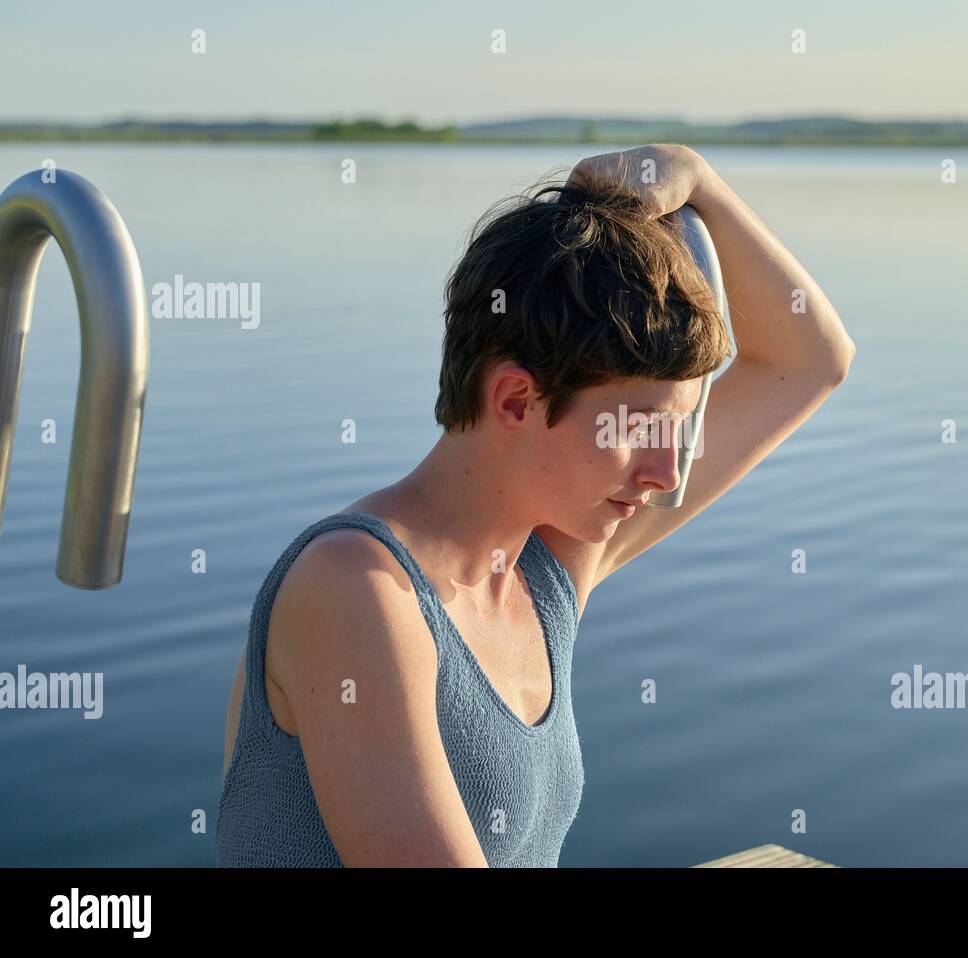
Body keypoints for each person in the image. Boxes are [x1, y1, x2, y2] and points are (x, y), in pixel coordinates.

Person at [215, 143, 855, 867]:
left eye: (677, 429)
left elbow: (810, 362)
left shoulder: (545, 567)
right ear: (517, 399)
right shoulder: (356, 589)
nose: (666, 471)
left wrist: (694, 178)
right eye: (639, 428)